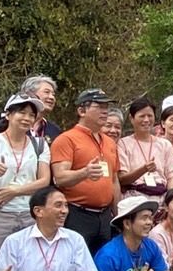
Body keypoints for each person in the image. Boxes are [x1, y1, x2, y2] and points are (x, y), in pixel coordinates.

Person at [0, 94, 52, 255]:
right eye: (22, 113)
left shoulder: (39, 144)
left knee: (29, 264)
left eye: (32, 115)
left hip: (29, 213)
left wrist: (14, 191)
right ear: (8, 115)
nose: (27, 118)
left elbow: (44, 180)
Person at [50, 89, 120, 251]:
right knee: (75, 263)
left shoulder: (110, 142)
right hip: (77, 214)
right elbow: (59, 178)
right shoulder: (66, 139)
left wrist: (118, 215)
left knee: (103, 264)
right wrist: (84, 173)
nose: (105, 111)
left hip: (105, 216)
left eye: (106, 107)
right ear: (82, 110)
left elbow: (114, 180)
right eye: (99, 106)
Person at [0, 74, 63, 143]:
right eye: (47, 92)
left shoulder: (54, 130)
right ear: (30, 93)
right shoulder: (4, 125)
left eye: (53, 94)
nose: (51, 97)